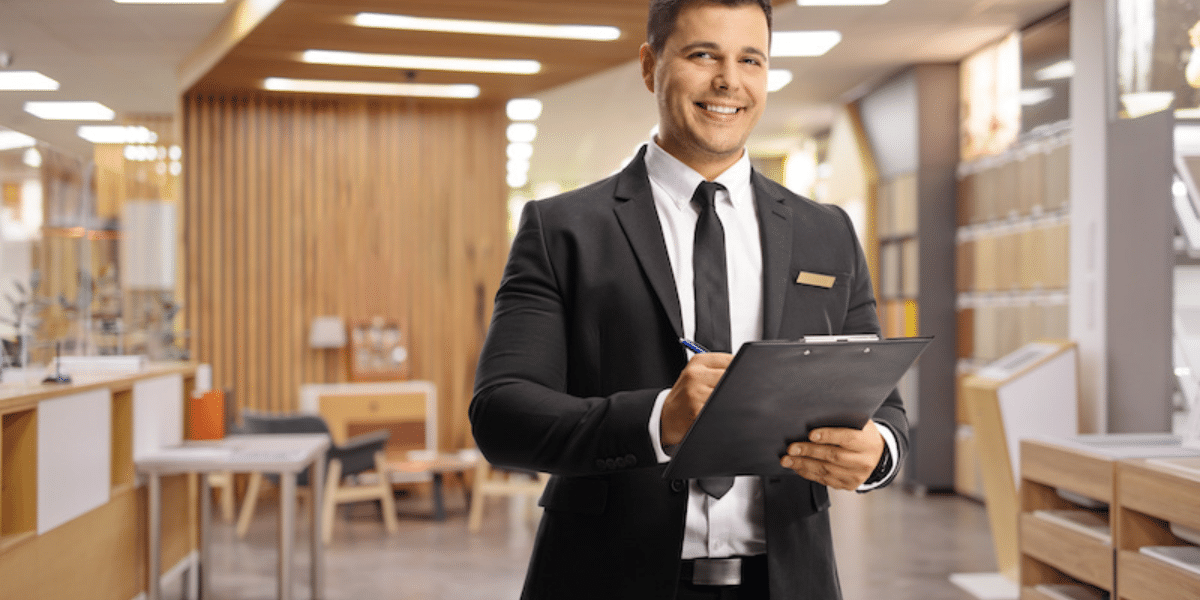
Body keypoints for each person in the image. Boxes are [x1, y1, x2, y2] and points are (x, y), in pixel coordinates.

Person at [470, 1, 907, 598]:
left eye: (750, 59)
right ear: (651, 66)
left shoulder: (825, 232)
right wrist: (658, 419)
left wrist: (877, 454)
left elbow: (884, 404)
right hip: (605, 579)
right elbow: (501, 413)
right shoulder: (563, 229)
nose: (729, 81)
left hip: (786, 582)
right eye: (704, 55)